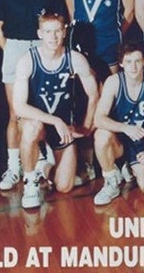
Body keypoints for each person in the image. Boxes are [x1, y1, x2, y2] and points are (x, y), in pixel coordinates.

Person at [0, 0, 61, 191]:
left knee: (39, 109)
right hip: (15, 48)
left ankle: (41, 157)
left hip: (43, 47)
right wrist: (12, 52)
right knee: (15, 113)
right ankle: (13, 167)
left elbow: (58, 23)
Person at [13, 13, 99, 209]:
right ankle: (30, 183)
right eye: (48, 32)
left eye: (57, 31)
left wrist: (86, 127)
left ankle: (42, 165)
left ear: (64, 32)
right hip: (37, 123)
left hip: (63, 128)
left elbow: (94, 95)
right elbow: (19, 106)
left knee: (65, 186)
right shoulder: (27, 60)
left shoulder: (76, 60)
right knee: (32, 128)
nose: (53, 37)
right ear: (39, 34)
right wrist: (55, 121)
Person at [92, 43, 144, 205]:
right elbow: (98, 119)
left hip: (142, 144)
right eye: (129, 62)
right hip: (119, 143)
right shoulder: (114, 82)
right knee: (101, 135)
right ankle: (111, 180)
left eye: (137, 61)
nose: (133, 66)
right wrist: (125, 128)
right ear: (121, 63)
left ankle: (130, 168)